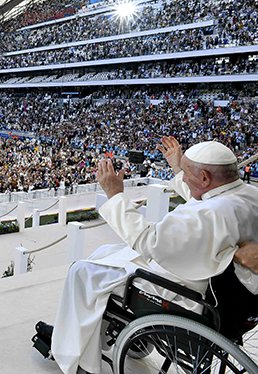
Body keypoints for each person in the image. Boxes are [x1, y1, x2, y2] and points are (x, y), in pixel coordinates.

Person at [37, 137, 258, 374]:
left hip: (188, 290)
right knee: (104, 253)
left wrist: (115, 195)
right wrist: (177, 166)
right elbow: (204, 196)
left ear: (204, 177)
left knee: (82, 271)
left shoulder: (210, 213)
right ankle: (81, 337)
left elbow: (147, 240)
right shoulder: (247, 195)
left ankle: (76, 357)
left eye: (186, 172)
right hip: (225, 293)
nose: (183, 178)